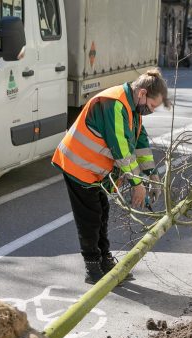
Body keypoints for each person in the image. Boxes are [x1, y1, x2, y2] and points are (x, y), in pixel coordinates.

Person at [51, 69, 170, 284]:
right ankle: (93, 267)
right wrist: (137, 184)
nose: (151, 111)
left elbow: (139, 142)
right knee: (90, 216)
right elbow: (121, 150)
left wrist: (152, 176)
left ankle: (104, 259)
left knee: (101, 212)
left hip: (93, 170)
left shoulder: (132, 108)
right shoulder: (114, 104)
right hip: (77, 165)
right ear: (142, 93)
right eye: (152, 106)